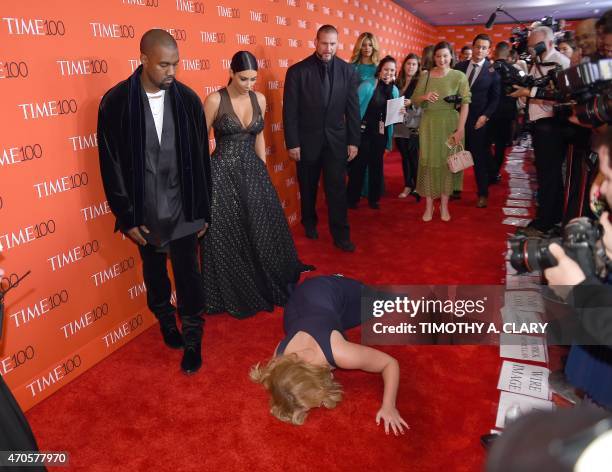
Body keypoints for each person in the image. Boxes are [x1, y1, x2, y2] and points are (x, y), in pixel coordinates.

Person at [97, 29, 211, 374]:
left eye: (176, 64)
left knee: (190, 275)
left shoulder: (188, 100)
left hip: (185, 206)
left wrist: (203, 209)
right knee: (155, 272)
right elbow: (110, 163)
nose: (172, 72)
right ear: (143, 59)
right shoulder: (115, 102)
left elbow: (202, 160)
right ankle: (165, 321)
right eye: (163, 65)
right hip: (144, 211)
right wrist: (127, 217)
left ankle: (193, 339)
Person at [200, 51, 312, 319]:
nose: (249, 84)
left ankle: (266, 276)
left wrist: (262, 169)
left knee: (261, 228)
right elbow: (200, 142)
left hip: (252, 169)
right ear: (230, 72)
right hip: (221, 173)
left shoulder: (259, 98)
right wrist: (204, 180)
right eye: (243, 78)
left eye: (253, 79)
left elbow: (259, 135)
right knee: (227, 232)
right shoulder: (215, 100)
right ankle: (232, 287)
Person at [250, 275, 409, 435]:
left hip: (328, 288)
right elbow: (285, 390)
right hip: (297, 308)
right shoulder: (280, 357)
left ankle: (338, 277)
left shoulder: (339, 352)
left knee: (395, 301)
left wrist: (389, 405)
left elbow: (389, 363)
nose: (317, 406)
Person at [283, 24, 361, 252]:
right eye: (324, 43)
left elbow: (353, 110)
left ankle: (341, 235)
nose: (328, 48)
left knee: (337, 189)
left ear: (338, 44)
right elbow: (290, 111)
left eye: (333, 44)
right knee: (307, 187)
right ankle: (309, 222)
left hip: (336, 142)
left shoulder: (348, 71)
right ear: (315, 42)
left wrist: (353, 141)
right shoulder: (297, 71)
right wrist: (293, 142)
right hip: (307, 142)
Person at [511, 26, 570, 235]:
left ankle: (545, 222)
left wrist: (530, 92)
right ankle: (550, 217)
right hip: (539, 126)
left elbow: (562, 96)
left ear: (549, 42)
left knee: (549, 176)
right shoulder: (536, 64)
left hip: (552, 126)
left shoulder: (561, 63)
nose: (532, 49)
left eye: (536, 44)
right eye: (530, 45)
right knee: (546, 175)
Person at [412, 41, 471, 222]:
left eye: (445, 55)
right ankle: (429, 206)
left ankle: (444, 205)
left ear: (451, 56)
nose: (442, 59)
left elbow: (466, 103)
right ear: (433, 57)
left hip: (450, 124)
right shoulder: (426, 75)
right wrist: (425, 97)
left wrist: (460, 129)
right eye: (438, 56)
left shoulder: (459, 76)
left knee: (447, 164)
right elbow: (414, 100)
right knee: (429, 162)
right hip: (429, 124)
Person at [346, 56, 401, 210]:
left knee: (376, 166)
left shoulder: (394, 90)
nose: (388, 73)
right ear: (379, 70)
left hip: (380, 134)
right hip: (363, 132)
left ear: (395, 72)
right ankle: (352, 199)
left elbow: (394, 118)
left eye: (392, 70)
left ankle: (374, 199)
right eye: (386, 69)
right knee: (358, 166)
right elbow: (354, 110)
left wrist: (401, 111)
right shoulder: (367, 86)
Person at [455, 34, 501, 208]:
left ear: (488, 50)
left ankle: (482, 193)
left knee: (479, 158)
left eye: (484, 48)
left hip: (478, 121)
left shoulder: (493, 72)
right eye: (477, 46)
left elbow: (495, 99)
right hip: (457, 118)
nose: (480, 50)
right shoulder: (459, 67)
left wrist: (485, 116)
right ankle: (454, 189)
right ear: (472, 47)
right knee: (455, 155)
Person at [487, 42, 517, 185]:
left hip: (489, 113)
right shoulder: (514, 70)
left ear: (494, 52)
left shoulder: (488, 69)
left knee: (485, 144)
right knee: (500, 145)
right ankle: (494, 172)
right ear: (508, 53)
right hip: (506, 113)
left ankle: (491, 170)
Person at [394, 53, 422, 201]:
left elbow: (424, 105)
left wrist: (412, 104)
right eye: (408, 64)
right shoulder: (397, 82)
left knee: (413, 157)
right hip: (398, 125)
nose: (410, 67)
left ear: (418, 67)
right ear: (404, 65)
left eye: (414, 64)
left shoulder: (420, 84)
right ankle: (407, 185)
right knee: (404, 157)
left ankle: (417, 186)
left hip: (413, 125)